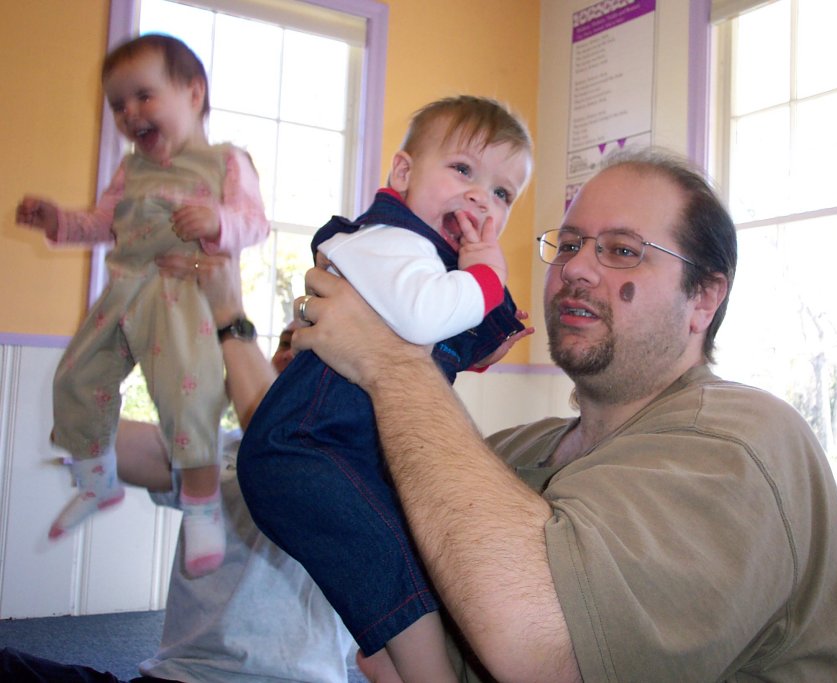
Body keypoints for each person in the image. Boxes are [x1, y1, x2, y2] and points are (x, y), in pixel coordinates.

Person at [273, 148, 837, 682]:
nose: (576, 269)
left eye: (622, 251)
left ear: (704, 298)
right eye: (568, 245)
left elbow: (544, 647)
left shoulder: (746, 441)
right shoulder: (511, 452)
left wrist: (390, 362)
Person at [236, 95, 534, 683]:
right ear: (403, 174)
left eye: (502, 193)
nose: (481, 197)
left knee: (398, 559)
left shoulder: (428, 263)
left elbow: (423, 343)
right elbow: (422, 316)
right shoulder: (389, 239)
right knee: (393, 561)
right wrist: (487, 277)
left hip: (341, 447)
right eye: (463, 170)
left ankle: (387, 655)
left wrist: (477, 345)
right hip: (305, 446)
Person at [0, 253, 353, 683]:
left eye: (306, 347)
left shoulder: (356, 467)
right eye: (283, 343)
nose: (289, 354)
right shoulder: (217, 450)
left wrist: (229, 316)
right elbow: (84, 434)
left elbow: (280, 448)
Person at [15, 34, 269, 577]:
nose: (130, 113)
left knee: (189, 394)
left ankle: (201, 506)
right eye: (118, 105)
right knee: (76, 376)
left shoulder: (225, 162)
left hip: (183, 294)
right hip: (125, 289)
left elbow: (254, 223)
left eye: (144, 96)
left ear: (194, 94)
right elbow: (101, 223)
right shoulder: (131, 171)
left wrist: (218, 222)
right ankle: (96, 478)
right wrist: (58, 221)